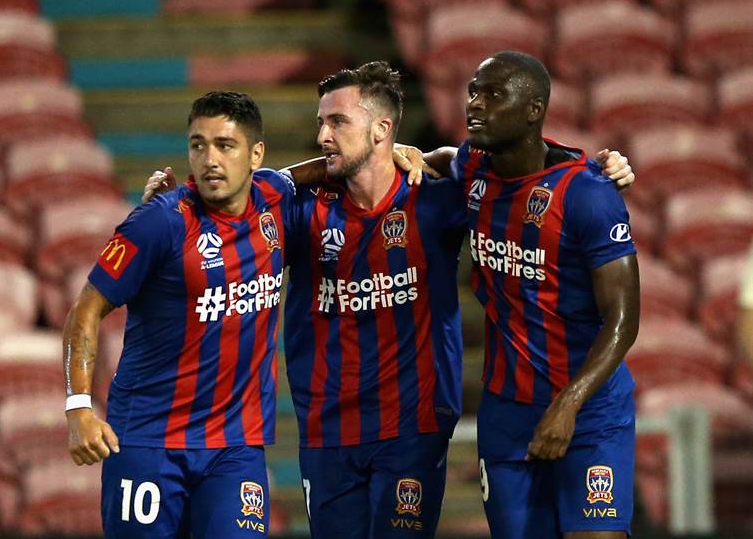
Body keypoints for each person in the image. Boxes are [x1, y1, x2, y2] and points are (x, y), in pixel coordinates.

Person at [143, 62, 635, 539]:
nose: (322, 135)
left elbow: (521, 178)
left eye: (337, 122)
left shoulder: (438, 200)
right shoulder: (302, 212)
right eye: (321, 123)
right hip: (329, 429)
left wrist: (595, 167)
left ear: (380, 130)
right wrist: (174, 208)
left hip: (413, 427)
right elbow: (232, 218)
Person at [422, 51, 640, 538]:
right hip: (507, 412)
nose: (475, 104)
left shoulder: (589, 195)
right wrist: (405, 155)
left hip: (588, 411)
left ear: (533, 109)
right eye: (473, 92)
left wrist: (568, 404)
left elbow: (624, 320)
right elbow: (440, 161)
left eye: (493, 95)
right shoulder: (474, 168)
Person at [63, 91, 297, 538]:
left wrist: (397, 152)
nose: (209, 159)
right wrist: (78, 408)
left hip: (235, 446)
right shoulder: (159, 223)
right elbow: (86, 309)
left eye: (225, 146)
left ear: (256, 154)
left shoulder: (274, 198)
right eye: (198, 144)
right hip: (149, 441)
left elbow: (312, 172)